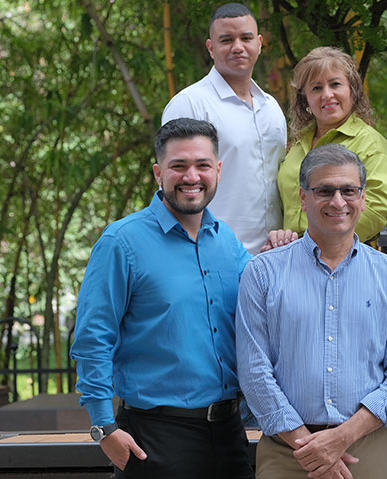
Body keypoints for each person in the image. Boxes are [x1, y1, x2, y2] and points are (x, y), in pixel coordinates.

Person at [70, 118, 254, 478]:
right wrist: (103, 428)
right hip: (154, 438)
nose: (191, 176)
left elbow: (265, 302)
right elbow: (93, 337)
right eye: (178, 166)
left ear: (217, 170)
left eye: (202, 165)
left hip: (230, 435)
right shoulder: (121, 242)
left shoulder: (226, 241)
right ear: (158, 173)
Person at [237, 144, 387, 479]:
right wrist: (307, 443)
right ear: (303, 197)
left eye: (349, 190)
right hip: (285, 449)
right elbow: (254, 372)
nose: (338, 202)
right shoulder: (263, 273)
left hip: (366, 446)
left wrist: (342, 437)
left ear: (363, 198)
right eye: (325, 190)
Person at [161, 3, 287, 254]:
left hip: (274, 255)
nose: (237, 47)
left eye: (246, 38)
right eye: (227, 40)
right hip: (213, 254)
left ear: (259, 43)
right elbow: (171, 185)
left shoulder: (272, 107)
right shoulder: (190, 104)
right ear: (211, 47)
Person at [274, 46, 387, 248]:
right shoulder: (297, 144)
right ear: (305, 98)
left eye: (335, 84)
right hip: (291, 256)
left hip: (344, 256)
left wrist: (318, 241)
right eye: (316, 88)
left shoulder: (370, 143)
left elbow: (378, 207)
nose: (327, 94)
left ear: (352, 91)